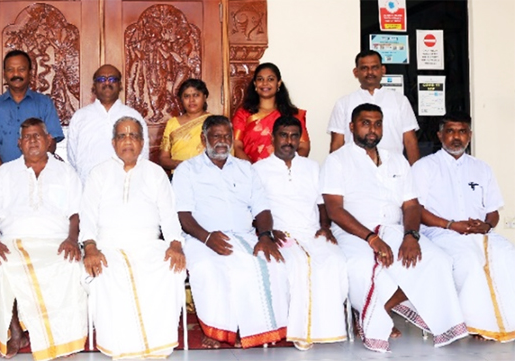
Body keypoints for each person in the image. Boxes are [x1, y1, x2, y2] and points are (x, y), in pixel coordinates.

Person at [320, 103, 467, 352]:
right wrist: (371, 239)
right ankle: (369, 317)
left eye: (378, 123)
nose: (372, 129)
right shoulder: (337, 161)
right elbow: (335, 210)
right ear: (352, 126)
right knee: (362, 268)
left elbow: (411, 206)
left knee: (438, 261)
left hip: (394, 229)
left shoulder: (397, 160)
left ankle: (379, 310)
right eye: (366, 123)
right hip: (353, 233)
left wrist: (411, 236)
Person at [172, 115, 288, 349]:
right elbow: (182, 215)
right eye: (216, 136)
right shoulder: (187, 170)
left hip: (244, 236)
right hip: (200, 237)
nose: (222, 141)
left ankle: (255, 329)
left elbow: (262, 208)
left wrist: (265, 237)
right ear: (204, 138)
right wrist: (207, 238)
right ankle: (218, 330)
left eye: (227, 136)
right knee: (209, 269)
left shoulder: (246, 169)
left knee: (269, 263)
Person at [0, 118, 87, 360]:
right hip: (13, 241)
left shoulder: (66, 172)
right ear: (19, 143)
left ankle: (63, 339)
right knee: (2, 267)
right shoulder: (5, 172)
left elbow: (77, 213)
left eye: (37, 135)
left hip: (57, 240)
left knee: (70, 267)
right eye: (27, 137)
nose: (32, 141)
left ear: (49, 140)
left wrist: (72, 239)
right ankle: (16, 331)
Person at [81, 116, 186, 359]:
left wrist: (175, 244)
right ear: (113, 142)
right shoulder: (98, 173)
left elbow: (169, 215)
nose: (127, 140)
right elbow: (87, 216)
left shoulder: (155, 173)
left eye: (133, 135)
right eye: (122, 135)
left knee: (169, 268)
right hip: (107, 244)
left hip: (149, 244)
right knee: (107, 273)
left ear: (141, 142)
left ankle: (158, 344)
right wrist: (90, 247)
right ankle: (120, 345)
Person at [412, 111, 515, 342]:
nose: (456, 137)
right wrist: (450, 225)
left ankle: (506, 321)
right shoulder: (424, 167)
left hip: (479, 233)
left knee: (508, 254)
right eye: (450, 131)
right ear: (440, 135)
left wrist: (487, 225)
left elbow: (493, 210)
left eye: (461, 131)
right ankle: (476, 324)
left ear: (470, 135)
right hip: (440, 232)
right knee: (468, 260)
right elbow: (416, 210)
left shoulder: (482, 168)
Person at [253, 116, 348, 350]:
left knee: (335, 261)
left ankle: (328, 329)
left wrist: (325, 228)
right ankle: (300, 332)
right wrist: (268, 231)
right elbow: (254, 208)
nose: (289, 141)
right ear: (273, 137)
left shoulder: (312, 167)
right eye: (284, 135)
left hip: (312, 232)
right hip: (281, 234)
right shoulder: (258, 169)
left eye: (294, 136)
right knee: (299, 265)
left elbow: (321, 203)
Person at [0, 50, 64, 170]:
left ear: (30, 72)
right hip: (3, 181)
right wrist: (5, 173)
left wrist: (34, 170)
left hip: (38, 177)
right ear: (4, 73)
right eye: (10, 70)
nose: (16, 74)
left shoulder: (44, 104)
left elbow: (51, 142)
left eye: (21, 69)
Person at [327, 50, 420, 164]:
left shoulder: (400, 101)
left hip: (393, 169)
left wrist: (415, 173)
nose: (370, 72)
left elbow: (410, 141)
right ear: (356, 72)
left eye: (375, 67)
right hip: (354, 169)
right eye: (364, 68)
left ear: (383, 70)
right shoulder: (344, 103)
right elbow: (337, 143)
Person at [67, 65, 148, 184]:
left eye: (112, 79)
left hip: (125, 186)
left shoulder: (133, 116)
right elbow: (72, 156)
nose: (106, 83)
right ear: (94, 86)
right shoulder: (80, 117)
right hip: (89, 187)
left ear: (120, 85)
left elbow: (143, 153)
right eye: (101, 79)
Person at [160, 79, 248, 172]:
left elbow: (226, 154)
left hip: (210, 174)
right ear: (181, 99)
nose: (191, 100)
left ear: (204, 97)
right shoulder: (172, 123)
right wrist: (186, 165)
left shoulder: (216, 123)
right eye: (186, 96)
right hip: (181, 174)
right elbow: (163, 159)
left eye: (196, 95)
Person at [231, 63, 309, 163]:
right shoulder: (243, 114)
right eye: (260, 79)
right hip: (251, 172)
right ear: (255, 83)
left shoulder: (293, 114)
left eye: (270, 79)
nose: (265, 83)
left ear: (279, 83)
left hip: (284, 173)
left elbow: (304, 147)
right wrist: (253, 170)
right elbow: (236, 147)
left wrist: (284, 168)